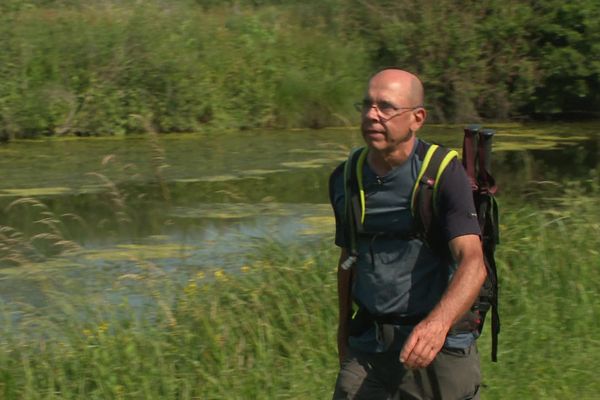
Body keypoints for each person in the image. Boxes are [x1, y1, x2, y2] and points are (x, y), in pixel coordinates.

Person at [329, 68, 487, 399]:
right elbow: (348, 259)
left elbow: (473, 262)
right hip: (369, 347)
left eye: (386, 107)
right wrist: (343, 334)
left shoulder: (443, 174)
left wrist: (437, 325)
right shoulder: (346, 178)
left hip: (437, 348)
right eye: (367, 105)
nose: (372, 115)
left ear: (417, 118)